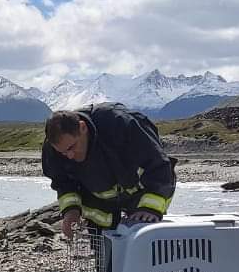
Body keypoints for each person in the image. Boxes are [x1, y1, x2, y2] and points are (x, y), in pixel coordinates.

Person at [41, 103, 177, 240]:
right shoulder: (53, 150)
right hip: (101, 212)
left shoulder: (119, 124)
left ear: (83, 128)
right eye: (63, 152)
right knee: (106, 256)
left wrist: (149, 208)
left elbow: (158, 165)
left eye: (72, 147)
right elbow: (63, 183)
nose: (69, 156)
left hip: (141, 197)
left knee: (141, 246)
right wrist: (71, 211)